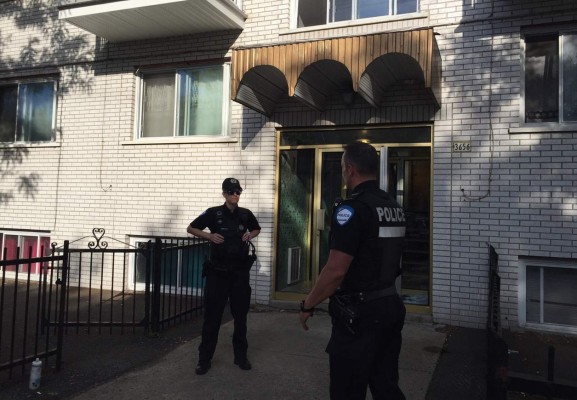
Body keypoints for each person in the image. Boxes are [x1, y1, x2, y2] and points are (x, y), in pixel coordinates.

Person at [299, 141, 407, 400]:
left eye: (343, 167)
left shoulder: (352, 209)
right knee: (385, 385)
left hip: (360, 317)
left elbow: (336, 269)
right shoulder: (393, 206)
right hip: (390, 306)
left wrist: (308, 304)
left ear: (350, 169)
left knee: (346, 390)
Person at [187, 177, 261, 375]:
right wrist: (209, 236)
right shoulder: (213, 213)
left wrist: (250, 235)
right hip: (217, 274)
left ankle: (241, 357)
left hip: (239, 273)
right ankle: (204, 360)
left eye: (238, 192)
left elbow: (256, 228)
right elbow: (191, 228)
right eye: (231, 192)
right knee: (212, 318)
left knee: (240, 317)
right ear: (224, 194)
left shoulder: (245, 214)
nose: (235, 195)